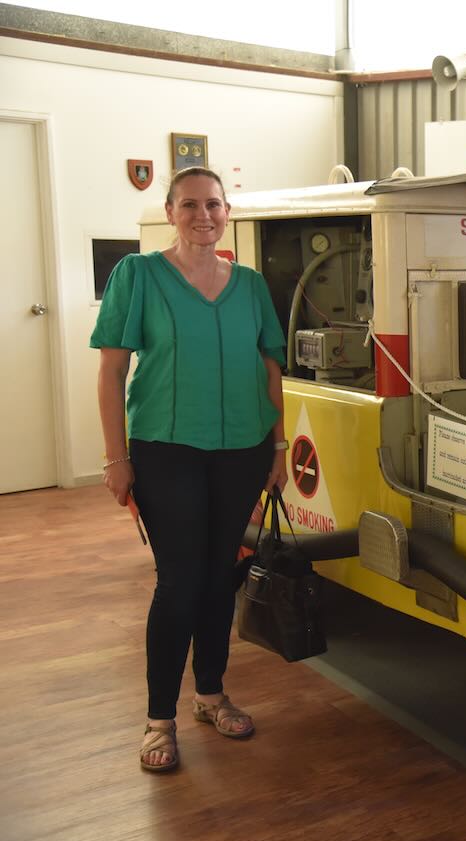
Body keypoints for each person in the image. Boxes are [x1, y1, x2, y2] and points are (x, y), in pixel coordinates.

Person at [91, 166, 290, 772]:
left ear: (227, 211)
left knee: (217, 577)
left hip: (242, 449)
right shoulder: (139, 275)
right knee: (178, 581)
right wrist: (116, 457)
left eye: (214, 205)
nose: (203, 215)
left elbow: (270, 368)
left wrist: (278, 449)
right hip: (166, 449)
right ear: (170, 212)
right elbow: (111, 371)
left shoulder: (250, 284)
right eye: (190, 205)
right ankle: (159, 720)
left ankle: (210, 695)